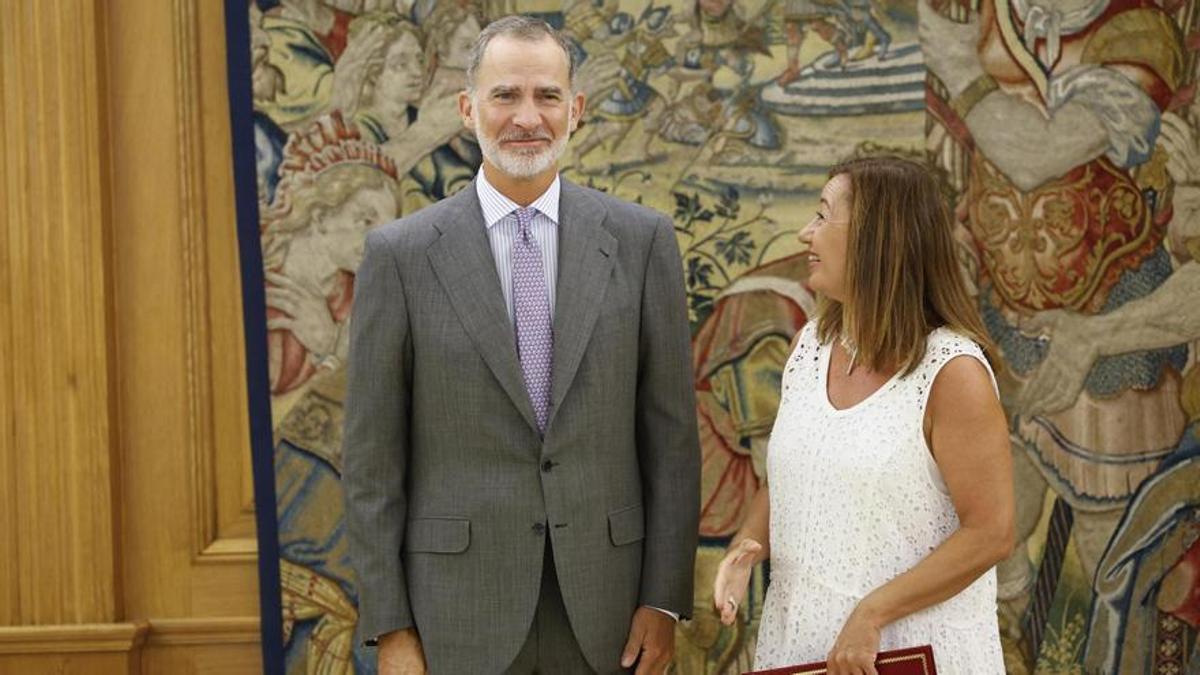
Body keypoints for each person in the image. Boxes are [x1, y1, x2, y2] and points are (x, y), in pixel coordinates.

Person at [341, 15, 701, 675]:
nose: (526, 117)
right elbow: (372, 461)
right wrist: (390, 627)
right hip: (454, 617)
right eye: (505, 95)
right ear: (467, 108)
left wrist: (663, 599)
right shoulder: (401, 255)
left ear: (576, 110)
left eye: (547, 96)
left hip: (609, 613)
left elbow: (672, 439)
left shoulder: (642, 241)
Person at [713, 156, 1015, 674]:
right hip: (803, 650)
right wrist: (747, 547)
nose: (806, 233)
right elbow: (792, 476)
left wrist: (873, 612)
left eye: (823, 215)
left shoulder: (953, 372)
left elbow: (992, 531)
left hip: (912, 655)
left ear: (879, 237)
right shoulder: (812, 346)